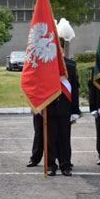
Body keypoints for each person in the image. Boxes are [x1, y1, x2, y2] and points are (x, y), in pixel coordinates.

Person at [27, 41, 81, 177]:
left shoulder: (71, 66)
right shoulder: (44, 66)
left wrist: (75, 110)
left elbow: (74, 90)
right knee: (49, 139)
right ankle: (51, 165)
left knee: (64, 138)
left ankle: (65, 165)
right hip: (49, 107)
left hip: (65, 108)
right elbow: (38, 86)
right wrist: (38, 105)